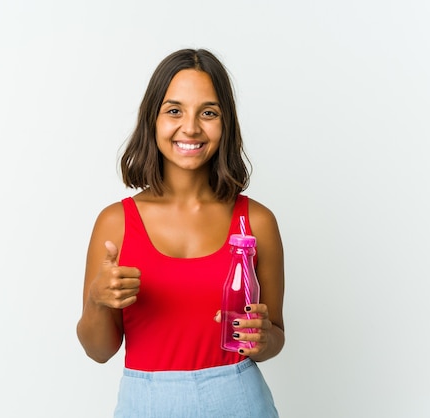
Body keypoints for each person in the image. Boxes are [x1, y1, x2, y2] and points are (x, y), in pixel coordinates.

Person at [76, 48, 285, 417]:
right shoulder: (115, 223)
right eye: (174, 111)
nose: (190, 127)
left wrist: (264, 338)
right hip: (147, 402)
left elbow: (274, 339)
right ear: (152, 120)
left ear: (226, 123)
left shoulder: (258, 221)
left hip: (239, 400)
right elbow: (99, 351)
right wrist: (97, 299)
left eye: (208, 112)